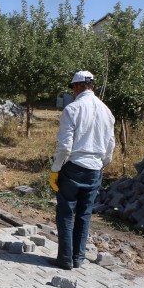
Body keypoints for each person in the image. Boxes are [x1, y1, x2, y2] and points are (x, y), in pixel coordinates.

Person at [48, 70, 115, 270]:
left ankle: (65, 259)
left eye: (73, 88)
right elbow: (111, 145)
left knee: (66, 213)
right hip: (95, 168)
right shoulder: (107, 111)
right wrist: (102, 165)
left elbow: (65, 147)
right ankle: (78, 257)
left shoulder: (72, 109)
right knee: (85, 215)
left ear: (77, 87)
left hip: (73, 167)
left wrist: (55, 169)